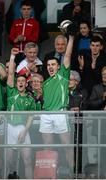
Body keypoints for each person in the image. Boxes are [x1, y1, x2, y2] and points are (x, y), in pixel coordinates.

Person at [39, 33, 74, 174]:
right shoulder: (45, 83)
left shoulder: (63, 76)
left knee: (67, 145)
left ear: (59, 66)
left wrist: (71, 38)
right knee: (47, 147)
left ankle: (73, 174)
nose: (50, 67)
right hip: (46, 114)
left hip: (61, 113)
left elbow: (67, 55)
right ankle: (49, 174)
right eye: (48, 65)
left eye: (53, 64)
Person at [6, 47, 36, 178]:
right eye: (18, 81)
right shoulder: (11, 93)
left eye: (23, 81)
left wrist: (25, 131)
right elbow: (11, 74)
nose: (20, 83)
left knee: (28, 160)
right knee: (8, 161)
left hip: (23, 129)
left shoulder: (30, 99)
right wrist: (12, 57)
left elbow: (31, 117)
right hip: (9, 128)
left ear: (26, 83)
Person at [89, 66, 106, 177]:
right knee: (101, 151)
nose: (105, 76)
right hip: (101, 125)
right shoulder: (97, 88)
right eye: (104, 74)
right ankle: (102, 174)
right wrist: (103, 99)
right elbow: (91, 104)